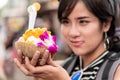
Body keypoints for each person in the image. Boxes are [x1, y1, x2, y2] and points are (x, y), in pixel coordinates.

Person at [14, 0, 120, 80]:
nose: (73, 33)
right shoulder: (61, 67)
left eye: (83, 22)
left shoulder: (115, 70)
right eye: (65, 22)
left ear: (106, 24)